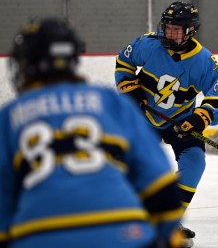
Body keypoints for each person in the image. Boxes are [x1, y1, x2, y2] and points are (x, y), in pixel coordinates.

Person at [0, 18, 185, 248]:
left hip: (40, 235)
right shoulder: (111, 101)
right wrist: (167, 236)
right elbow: (160, 182)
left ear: (26, 62)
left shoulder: (9, 116)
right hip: (124, 232)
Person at [114, 1, 218, 244]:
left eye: (177, 29)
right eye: (168, 27)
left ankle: (169, 219)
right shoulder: (148, 44)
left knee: (195, 162)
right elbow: (124, 62)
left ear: (190, 31)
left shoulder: (205, 62)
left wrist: (200, 117)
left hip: (180, 122)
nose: (170, 33)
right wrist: (130, 89)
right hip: (144, 119)